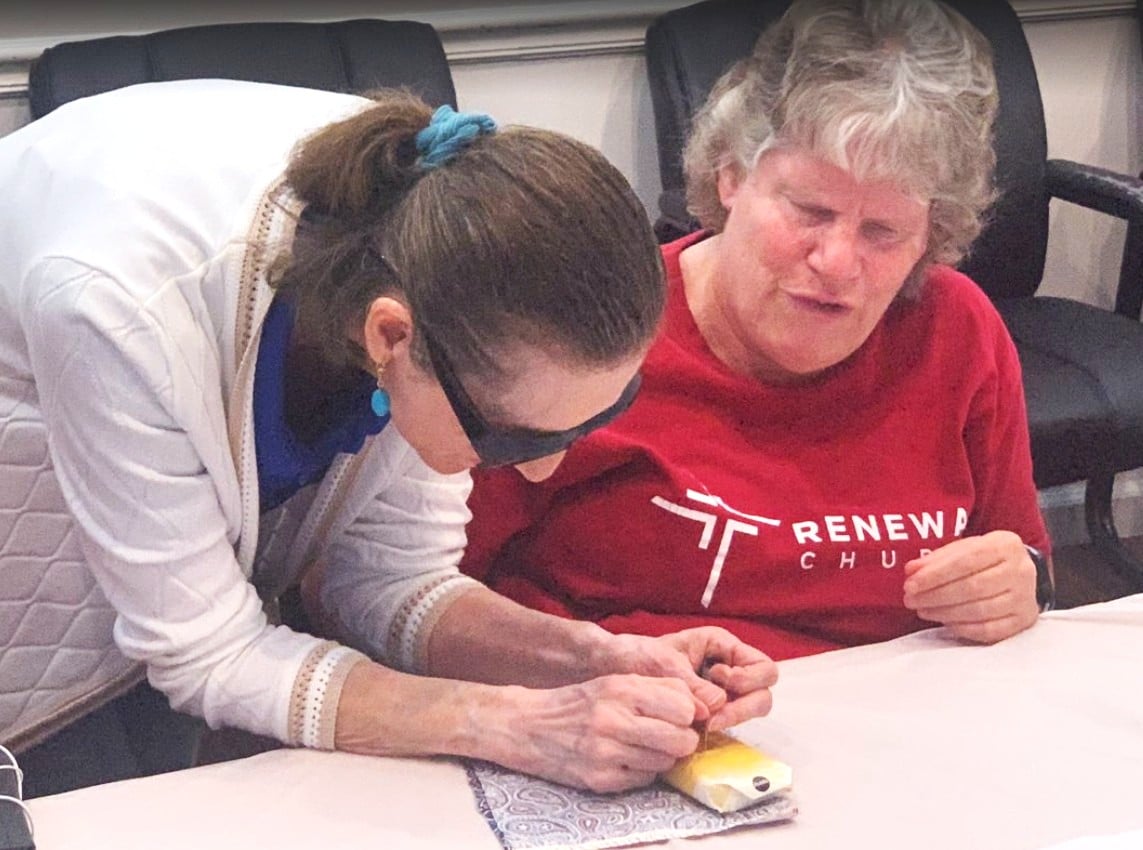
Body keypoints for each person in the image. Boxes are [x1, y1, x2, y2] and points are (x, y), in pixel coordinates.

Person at [0, 79, 777, 795]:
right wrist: (518, 726)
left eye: (594, 418)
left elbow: (390, 581)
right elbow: (211, 655)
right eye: (512, 439)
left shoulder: (433, 242)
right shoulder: (115, 300)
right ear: (390, 336)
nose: (545, 471)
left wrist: (591, 657)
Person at [460, 0, 1053, 662]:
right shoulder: (585, 336)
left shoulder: (956, 329)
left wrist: (1020, 582)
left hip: (899, 711)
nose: (835, 262)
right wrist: (584, 666)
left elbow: (1020, 557)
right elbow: (412, 598)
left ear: (930, 236)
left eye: (882, 231)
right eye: (809, 210)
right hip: (625, 719)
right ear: (731, 175)